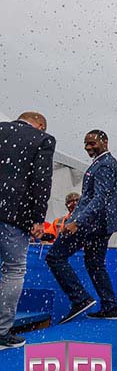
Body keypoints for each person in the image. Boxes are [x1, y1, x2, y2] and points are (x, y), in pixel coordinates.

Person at [46, 130, 117, 323]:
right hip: (100, 223)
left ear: (105, 141)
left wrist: (77, 222)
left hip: (91, 224)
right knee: (95, 264)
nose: (88, 147)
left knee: (55, 256)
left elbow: (100, 199)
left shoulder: (105, 164)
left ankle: (80, 298)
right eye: (86, 144)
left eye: (92, 143)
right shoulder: (103, 163)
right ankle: (109, 306)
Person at [0, 112, 55, 350]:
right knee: (13, 270)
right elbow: (41, 181)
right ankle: (1, 331)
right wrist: (38, 219)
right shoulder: (42, 139)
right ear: (40, 125)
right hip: (14, 215)